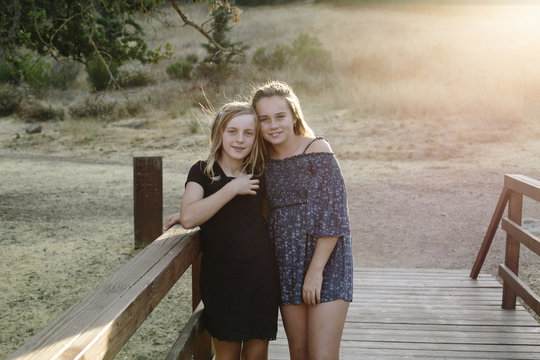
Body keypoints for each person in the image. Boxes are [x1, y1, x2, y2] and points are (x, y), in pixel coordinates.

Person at [165, 102, 279, 360]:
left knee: (257, 353)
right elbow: (190, 217)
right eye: (232, 131)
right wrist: (232, 188)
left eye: (248, 133)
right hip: (222, 281)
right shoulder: (202, 171)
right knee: (226, 356)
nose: (240, 140)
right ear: (218, 132)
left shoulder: (259, 171)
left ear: (256, 136)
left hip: (261, 276)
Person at [251, 80, 353, 360]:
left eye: (280, 116)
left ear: (294, 115)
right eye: (264, 119)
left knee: (322, 355)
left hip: (326, 261)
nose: (273, 125)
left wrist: (315, 270)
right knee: (299, 352)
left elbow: (334, 215)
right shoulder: (261, 161)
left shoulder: (317, 150)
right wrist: (191, 210)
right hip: (285, 261)